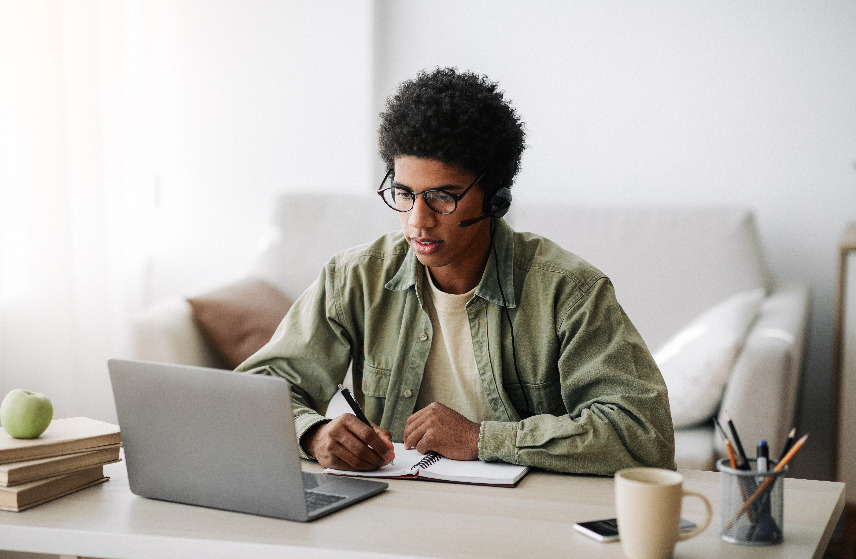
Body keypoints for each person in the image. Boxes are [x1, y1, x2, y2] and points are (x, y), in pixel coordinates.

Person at [237, 67, 676, 475]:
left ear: (496, 199)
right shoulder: (354, 278)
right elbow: (255, 394)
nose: (418, 221)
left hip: (526, 516)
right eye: (404, 194)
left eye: (442, 197)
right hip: (391, 505)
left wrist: (481, 439)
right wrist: (313, 433)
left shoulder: (570, 292)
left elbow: (642, 434)